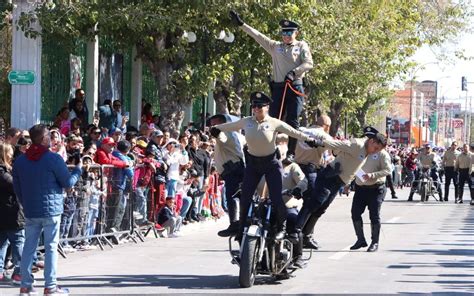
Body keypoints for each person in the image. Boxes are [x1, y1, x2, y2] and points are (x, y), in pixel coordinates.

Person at [211, 91, 317, 241]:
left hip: (271, 164)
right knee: (245, 198)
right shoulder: (247, 121)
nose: (256, 109)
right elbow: (229, 126)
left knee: (276, 198)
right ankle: (241, 230)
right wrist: (217, 129)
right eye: (254, 106)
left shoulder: (274, 122)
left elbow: (294, 132)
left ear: (267, 107)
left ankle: (281, 228)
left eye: (260, 106)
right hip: (253, 165)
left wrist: (309, 139)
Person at [229, 10, 313, 159]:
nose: (286, 36)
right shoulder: (275, 47)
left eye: (289, 33)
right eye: (284, 33)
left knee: (293, 119)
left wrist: (294, 72)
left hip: (295, 86)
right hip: (279, 87)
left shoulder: (301, 45)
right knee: (271, 118)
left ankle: (291, 152)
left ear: (296, 33)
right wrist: (242, 25)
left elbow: (309, 63)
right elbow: (258, 36)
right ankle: (268, 149)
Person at [13, 124, 82, 295]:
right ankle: (50, 286)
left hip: (31, 209)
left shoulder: (20, 160)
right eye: (48, 137)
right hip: (51, 210)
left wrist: (25, 203)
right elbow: (67, 183)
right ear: (44, 139)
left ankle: (25, 285)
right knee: (50, 247)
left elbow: (17, 188)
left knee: (29, 246)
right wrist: (78, 170)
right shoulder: (53, 159)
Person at [294, 127, 388, 243]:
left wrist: (348, 183)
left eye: (378, 150)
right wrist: (319, 142)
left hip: (339, 182)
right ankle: (295, 230)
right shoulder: (358, 145)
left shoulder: (366, 151)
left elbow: (353, 168)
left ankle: (306, 236)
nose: (375, 151)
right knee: (315, 202)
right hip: (330, 176)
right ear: (372, 141)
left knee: (321, 209)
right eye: (375, 148)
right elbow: (338, 144)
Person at [294, 114, 332, 250]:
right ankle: (301, 233)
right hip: (311, 171)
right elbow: (335, 149)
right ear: (327, 126)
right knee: (313, 202)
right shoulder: (324, 135)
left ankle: (300, 233)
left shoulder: (302, 130)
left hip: (295, 168)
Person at [208, 114, 246, 237]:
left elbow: (221, 136)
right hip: (240, 169)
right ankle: (244, 221)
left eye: (217, 123)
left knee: (232, 195)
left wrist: (216, 132)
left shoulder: (226, 133)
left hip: (233, 170)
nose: (213, 126)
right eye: (212, 124)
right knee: (240, 196)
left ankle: (234, 224)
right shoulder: (240, 136)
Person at [350, 147, 392, 252]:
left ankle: (375, 242)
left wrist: (372, 175)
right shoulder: (362, 152)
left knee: (374, 215)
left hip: (376, 189)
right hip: (360, 189)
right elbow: (355, 168)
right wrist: (349, 182)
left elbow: (388, 170)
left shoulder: (382, 154)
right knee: (355, 212)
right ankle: (360, 239)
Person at [0, 143, 25, 285]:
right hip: (11, 213)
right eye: (10, 153)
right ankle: (19, 273)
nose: (12, 156)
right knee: (18, 242)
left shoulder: (6, 171)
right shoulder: (3, 173)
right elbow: (16, 185)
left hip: (6, 213)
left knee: (3, 243)